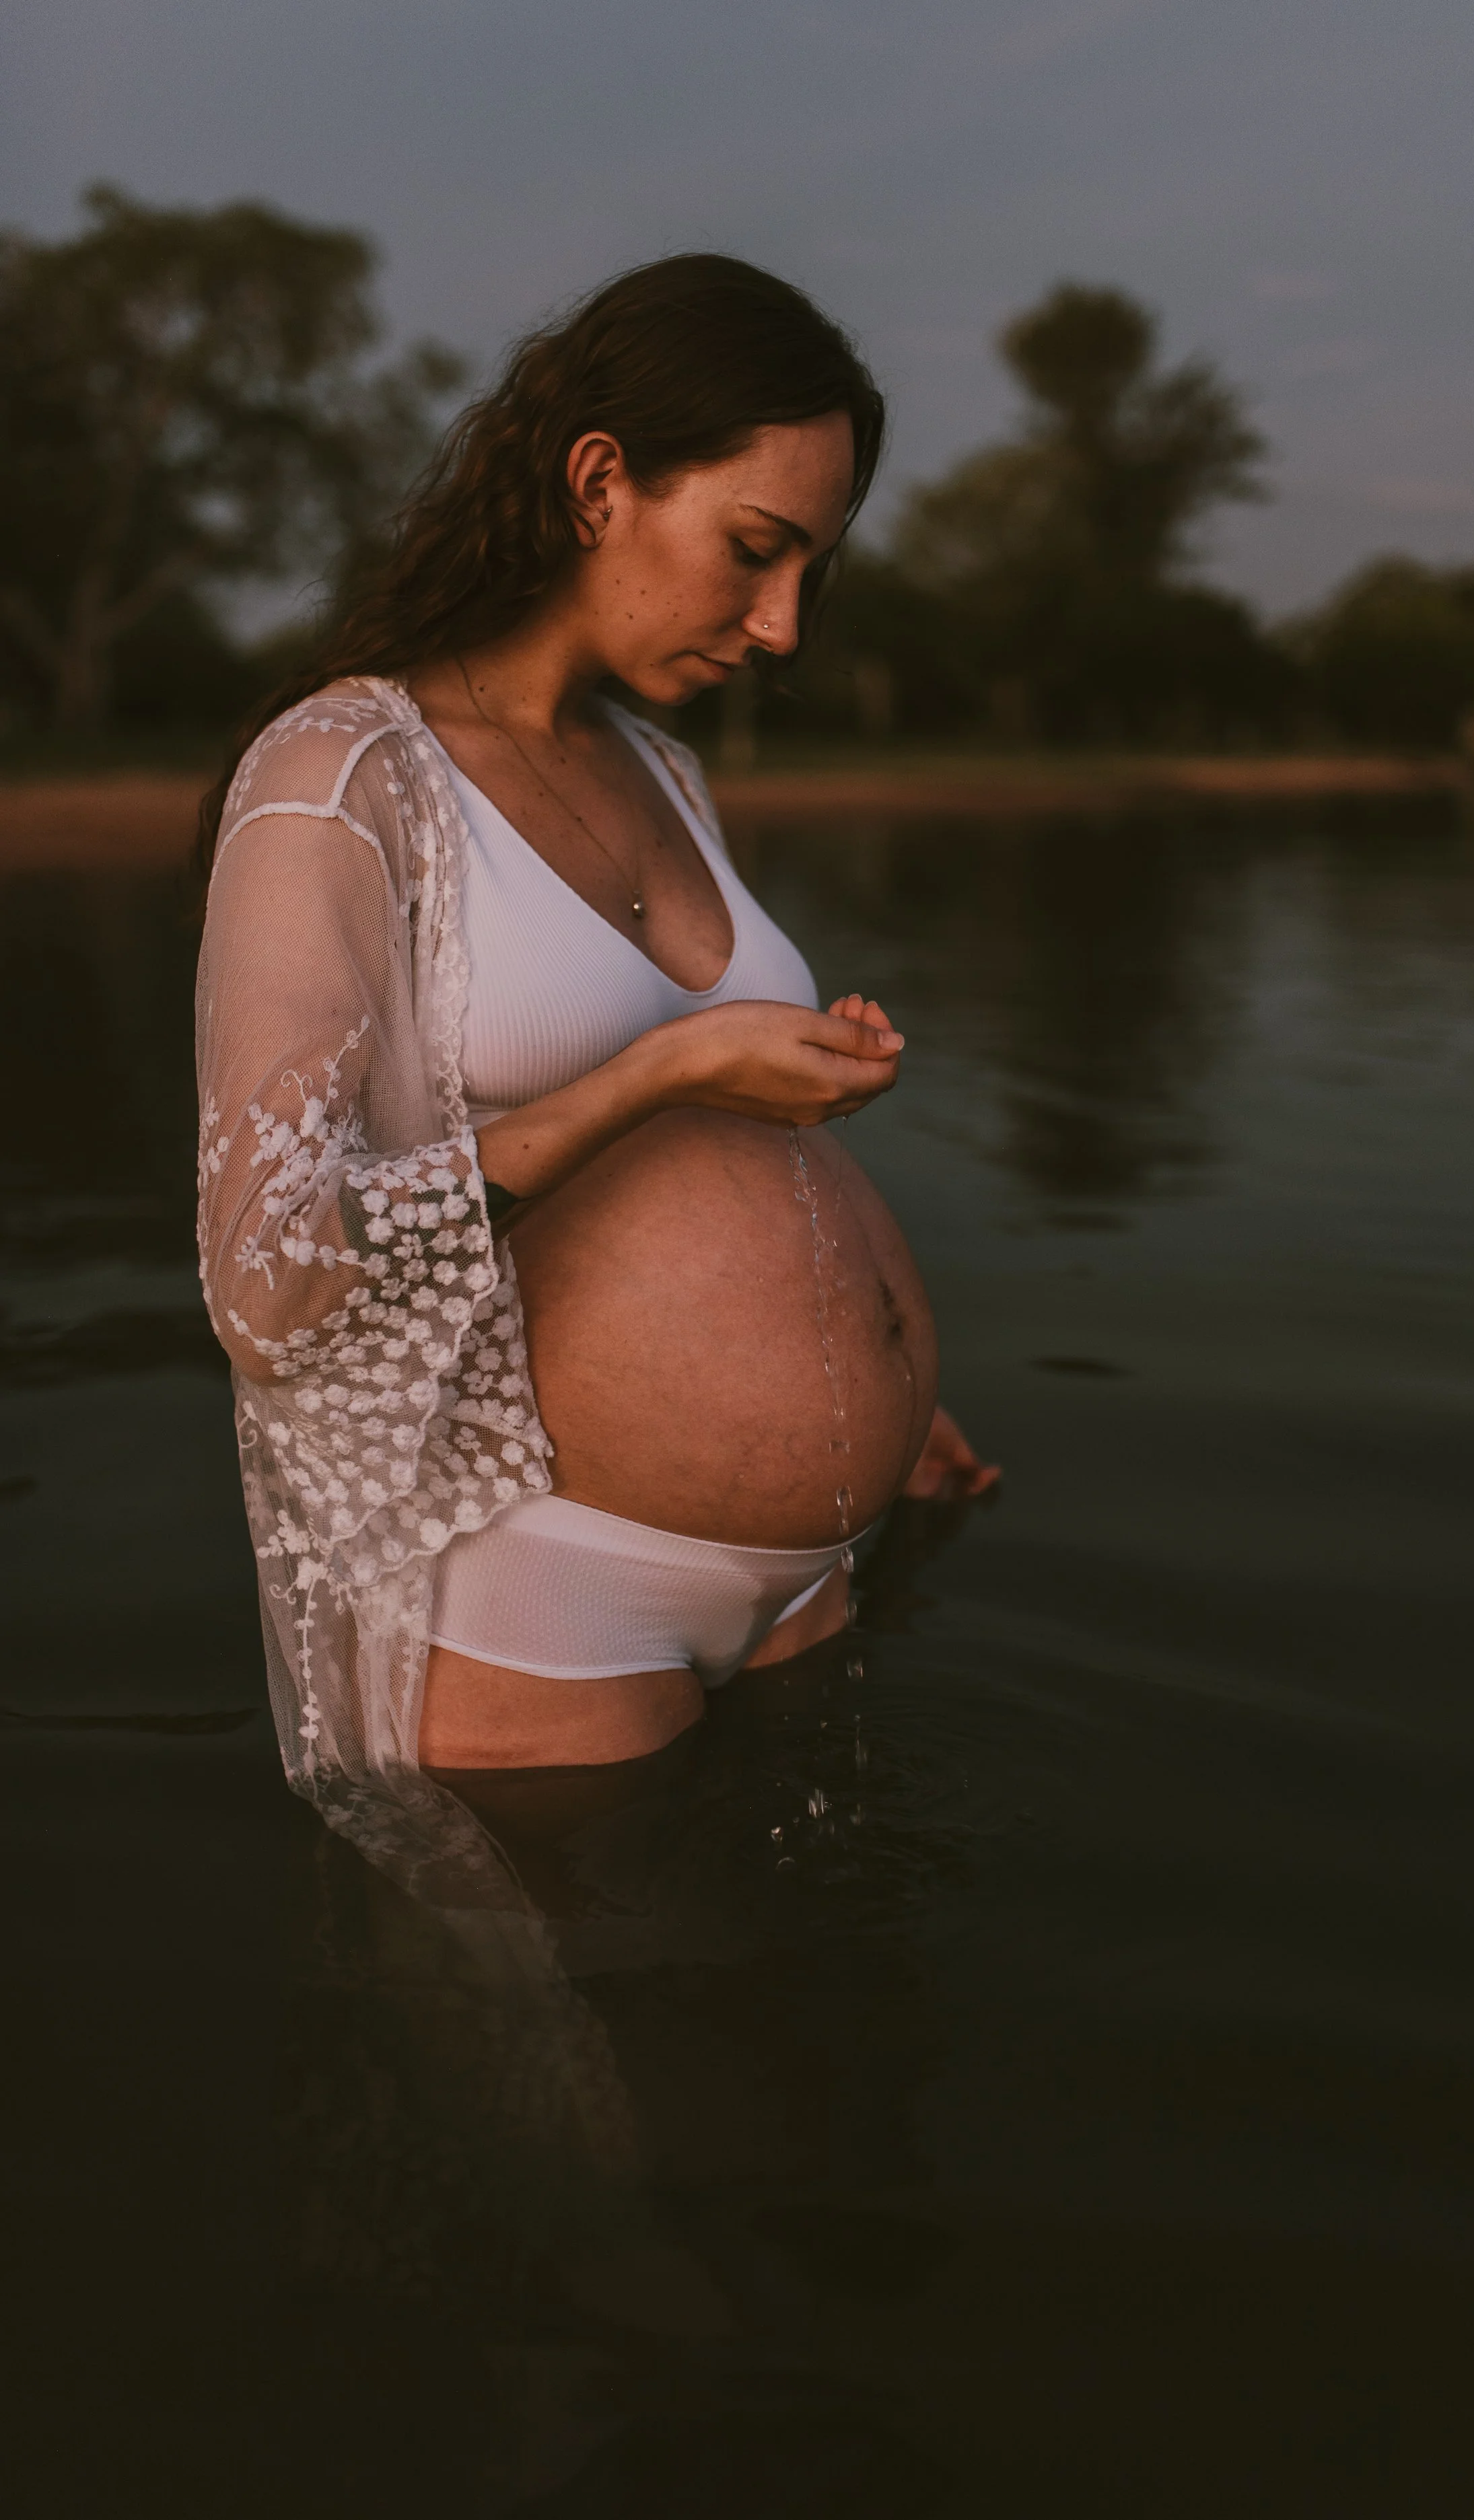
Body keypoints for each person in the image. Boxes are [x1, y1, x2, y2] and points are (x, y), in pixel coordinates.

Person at [195, 255, 994, 1896]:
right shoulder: (340, 776)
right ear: (597, 480)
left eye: (808, 573)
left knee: (831, 2060)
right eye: (754, 552)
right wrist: (658, 1071)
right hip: (551, 1592)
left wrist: (882, 1384)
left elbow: (722, 1169)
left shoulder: (664, 769)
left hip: (814, 1571)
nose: (779, 625)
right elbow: (264, 1279)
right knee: (614, 2098)